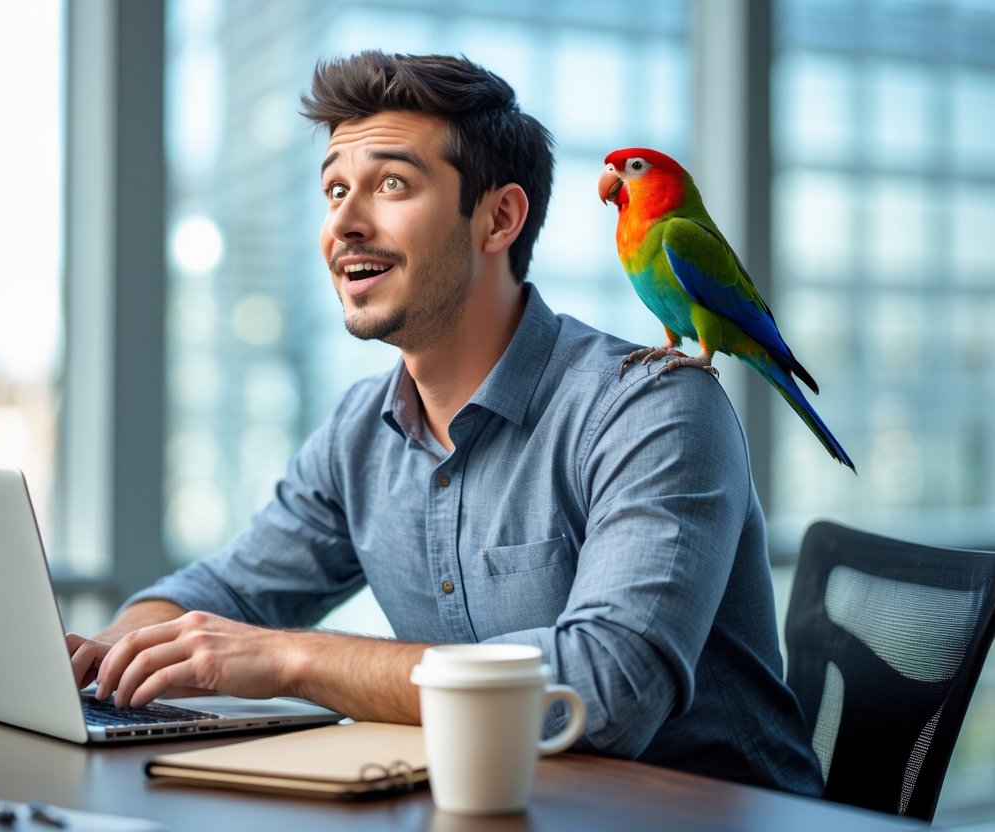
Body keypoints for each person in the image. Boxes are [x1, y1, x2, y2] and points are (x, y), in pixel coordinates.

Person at [67, 51, 823, 797]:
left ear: (499, 218)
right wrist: (101, 659)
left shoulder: (653, 411)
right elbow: (222, 593)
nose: (345, 225)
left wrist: (293, 660)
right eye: (333, 191)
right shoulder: (360, 432)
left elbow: (607, 689)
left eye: (390, 184)